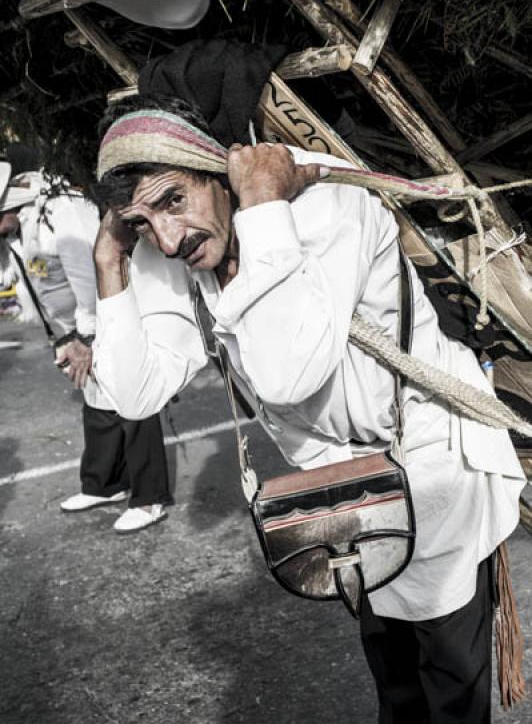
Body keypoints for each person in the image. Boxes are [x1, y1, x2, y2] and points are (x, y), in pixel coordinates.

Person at [91, 94, 525, 723]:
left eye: (173, 200)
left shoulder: (327, 210)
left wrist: (264, 206)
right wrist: (110, 262)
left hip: (433, 471)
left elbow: (286, 373)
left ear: (220, 169)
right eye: (141, 221)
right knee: (394, 679)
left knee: (450, 682)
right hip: (350, 494)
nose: (166, 236)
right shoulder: (173, 246)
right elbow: (135, 394)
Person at [0, 167, 172, 532]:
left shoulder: (62, 211)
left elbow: (92, 273)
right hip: (74, 331)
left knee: (133, 400)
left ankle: (150, 497)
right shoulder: (21, 225)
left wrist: (88, 335)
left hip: (104, 317)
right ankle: (105, 484)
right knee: (98, 402)